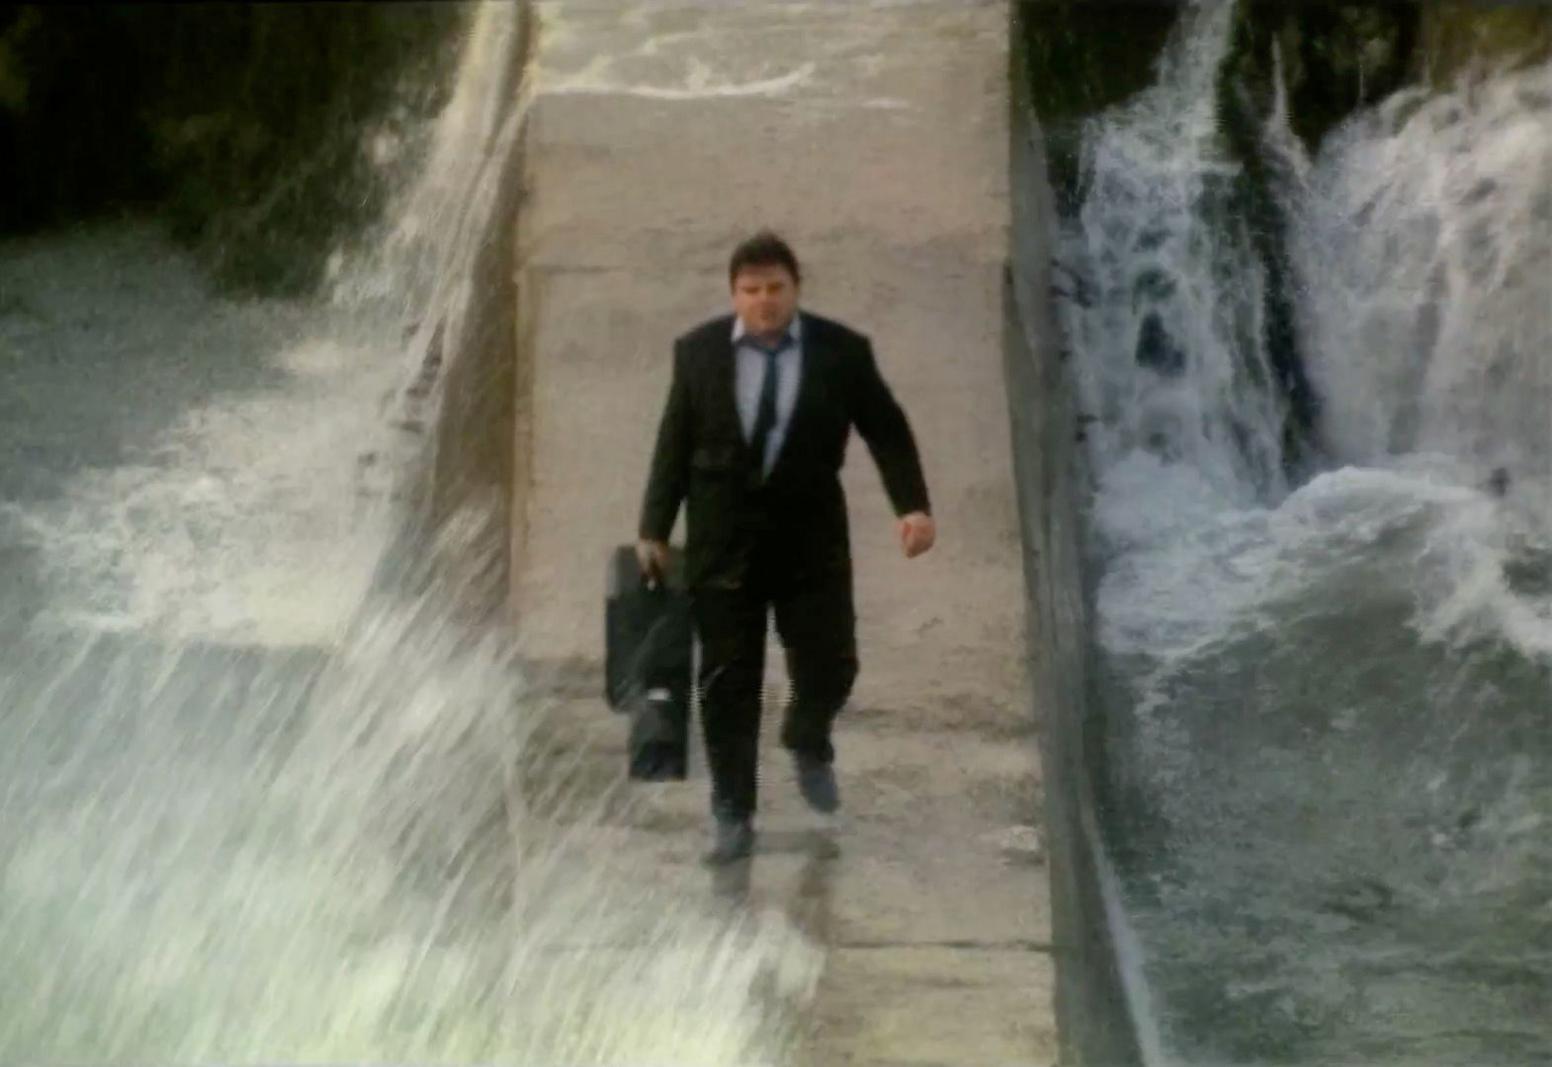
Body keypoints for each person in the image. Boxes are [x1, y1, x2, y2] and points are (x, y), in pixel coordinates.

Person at [636, 231, 935, 864]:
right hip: (723, 548)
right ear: (733, 295)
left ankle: (807, 733)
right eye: (752, 291)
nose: (765, 301)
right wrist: (654, 529)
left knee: (832, 663)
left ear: (796, 288)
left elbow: (886, 427)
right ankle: (732, 811)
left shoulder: (841, 352)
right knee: (726, 685)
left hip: (810, 544)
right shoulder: (698, 355)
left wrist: (911, 506)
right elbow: (673, 443)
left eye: (776, 288)